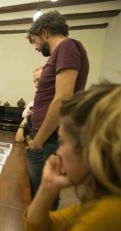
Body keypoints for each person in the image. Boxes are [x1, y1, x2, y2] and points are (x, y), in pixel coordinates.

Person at [25, 82, 121, 231]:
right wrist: (48, 186)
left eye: (62, 142)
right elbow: (36, 229)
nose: (58, 152)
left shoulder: (115, 213)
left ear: (92, 148)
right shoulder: (100, 199)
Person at [26, 10, 89, 209]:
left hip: (48, 138)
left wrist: (38, 141)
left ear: (45, 33)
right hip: (45, 136)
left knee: (43, 197)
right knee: (36, 195)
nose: (36, 47)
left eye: (35, 40)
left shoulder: (67, 46)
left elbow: (62, 98)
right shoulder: (61, 52)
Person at [16, 67, 42, 143]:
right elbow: (19, 139)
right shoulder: (32, 105)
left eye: (39, 80)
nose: (36, 85)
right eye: (35, 81)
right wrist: (25, 119)